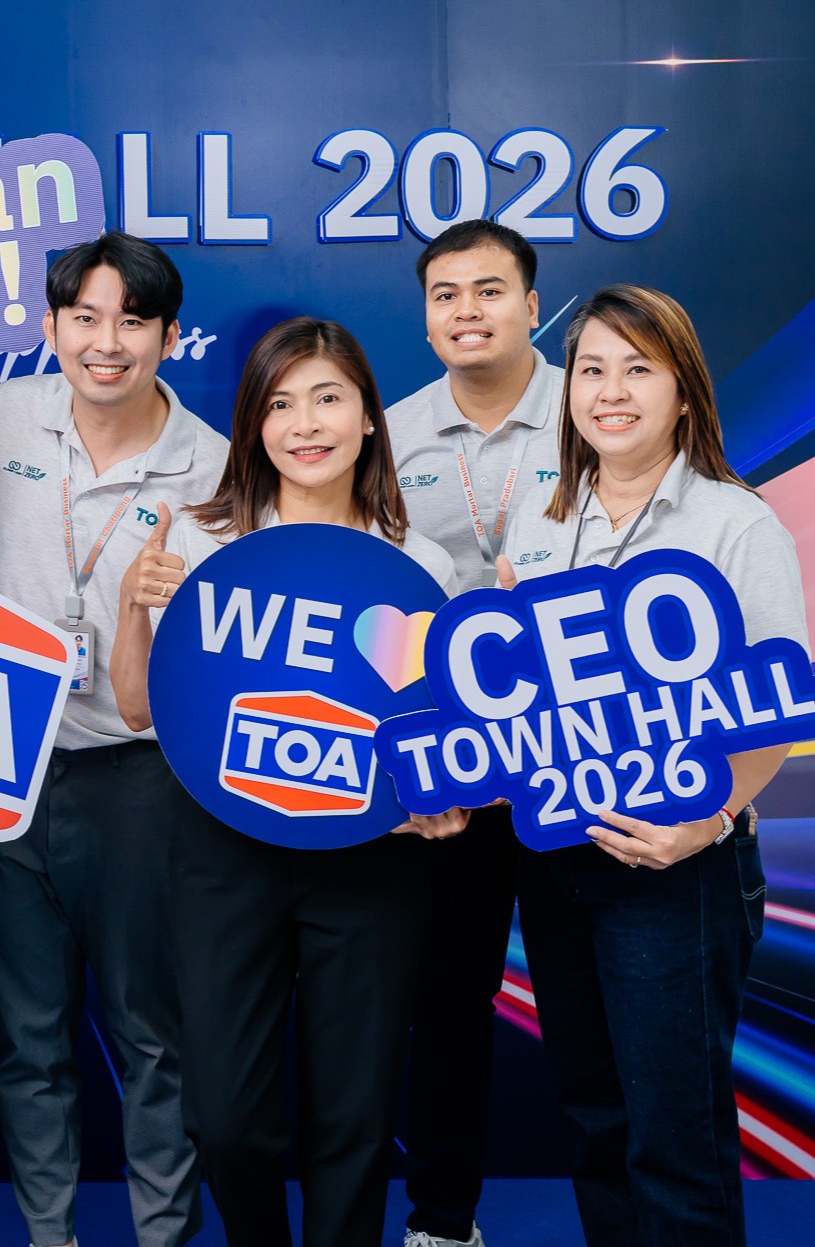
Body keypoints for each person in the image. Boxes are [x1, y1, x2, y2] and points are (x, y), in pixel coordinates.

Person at [108, 316, 465, 1247]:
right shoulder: (199, 544)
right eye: (278, 404)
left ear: (368, 418)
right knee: (226, 1120)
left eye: (327, 398)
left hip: (369, 859)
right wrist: (134, 607)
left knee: (355, 1118)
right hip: (224, 853)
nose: (303, 424)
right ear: (252, 426)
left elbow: (438, 744)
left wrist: (443, 799)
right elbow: (138, 709)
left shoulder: (419, 567)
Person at [499, 285, 801, 1246]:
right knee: (596, 1118)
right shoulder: (541, 520)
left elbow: (777, 707)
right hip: (558, 861)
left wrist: (704, 823)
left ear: (682, 390)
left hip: (679, 866)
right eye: (590, 369)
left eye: (637, 369)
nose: (610, 392)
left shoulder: (732, 523)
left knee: (675, 1138)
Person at [0, 231, 223, 1247]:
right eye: (85, 319)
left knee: (153, 1035)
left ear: (169, 337)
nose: (107, 344)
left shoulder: (212, 466)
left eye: (133, 322)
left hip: (142, 777)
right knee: (29, 1040)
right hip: (1, 767)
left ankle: (163, 1236)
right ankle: (48, 1236)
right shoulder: (8, 413)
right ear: (51, 326)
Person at [384, 218, 560, 1247]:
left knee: (594, 998)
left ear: (530, 305)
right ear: (425, 317)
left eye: (489, 290)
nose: (467, 311)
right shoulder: (389, 435)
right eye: (445, 294)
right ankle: (443, 1222)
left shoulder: (595, 408)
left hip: (577, 752)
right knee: (450, 999)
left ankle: (631, 1213)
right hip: (458, 767)